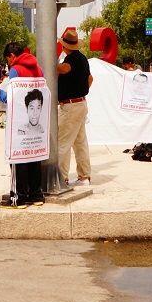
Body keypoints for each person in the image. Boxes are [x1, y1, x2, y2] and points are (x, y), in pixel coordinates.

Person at [0, 41, 44, 208]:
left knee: (18, 157)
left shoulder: (15, 70)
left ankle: (20, 197)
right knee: (34, 156)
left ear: (12, 56)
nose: (8, 63)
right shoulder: (38, 68)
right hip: (37, 123)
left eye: (8, 59)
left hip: (19, 122)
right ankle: (36, 195)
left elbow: (12, 98)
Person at [57, 28, 93, 186]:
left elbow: (65, 69)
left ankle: (61, 177)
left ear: (65, 46)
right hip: (81, 103)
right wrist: (81, 90)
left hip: (70, 106)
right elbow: (90, 79)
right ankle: (84, 176)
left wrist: (52, 64)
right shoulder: (83, 58)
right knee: (80, 143)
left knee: (63, 143)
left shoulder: (71, 60)